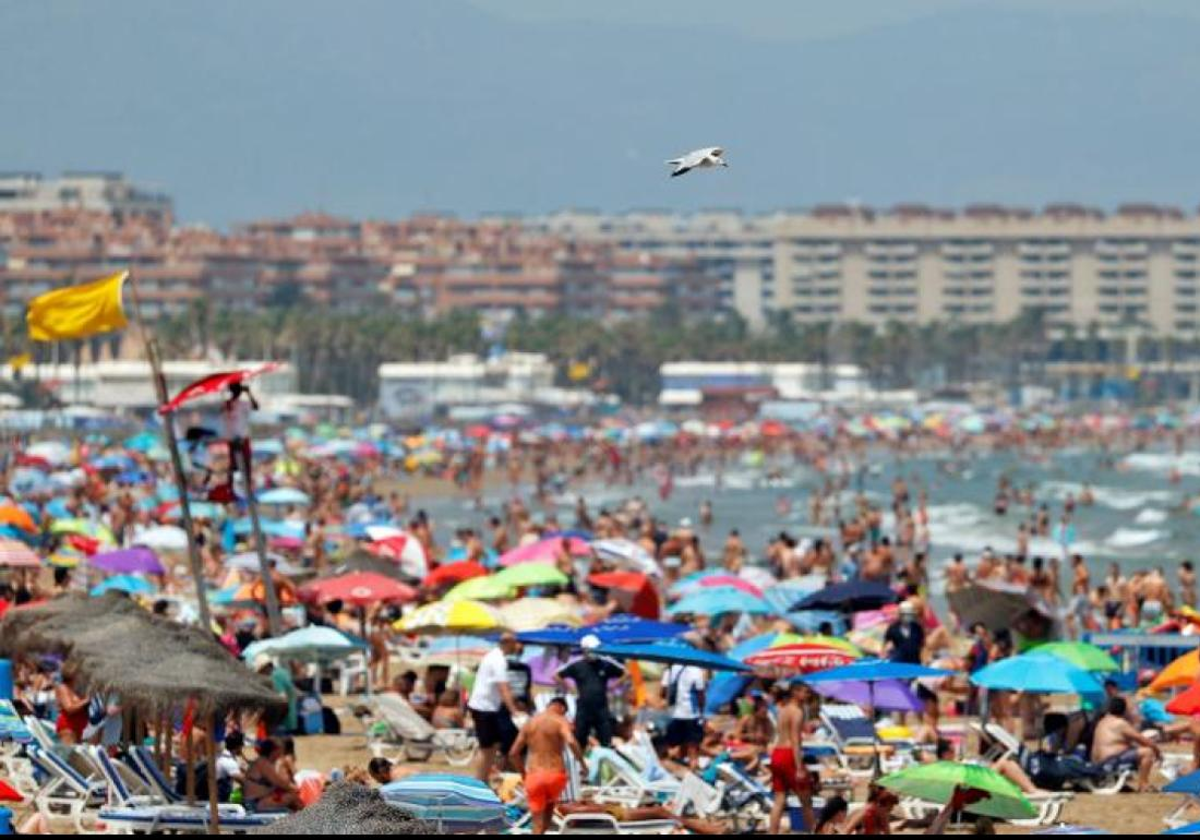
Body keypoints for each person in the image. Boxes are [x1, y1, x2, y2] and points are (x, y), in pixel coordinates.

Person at [509, 697, 586, 835]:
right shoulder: (560, 720)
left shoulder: (530, 722)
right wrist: (582, 763)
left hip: (534, 775)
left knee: (537, 825)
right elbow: (572, 742)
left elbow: (513, 753)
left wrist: (524, 774)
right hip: (555, 776)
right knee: (546, 822)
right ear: (562, 708)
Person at [468, 632, 522, 781]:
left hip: (488, 706)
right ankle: (479, 781)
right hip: (484, 707)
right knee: (486, 748)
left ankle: (484, 778)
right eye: (515, 643)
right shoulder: (498, 660)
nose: (517, 646)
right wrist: (514, 711)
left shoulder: (493, 656)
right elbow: (503, 688)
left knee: (493, 745)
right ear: (508, 643)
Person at [556, 634, 624, 748]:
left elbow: (626, 673)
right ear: (584, 650)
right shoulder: (577, 665)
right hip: (583, 708)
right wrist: (570, 688)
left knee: (606, 738)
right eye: (590, 650)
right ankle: (580, 762)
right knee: (579, 738)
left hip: (601, 708)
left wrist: (613, 686)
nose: (593, 652)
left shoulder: (605, 663)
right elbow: (557, 675)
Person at [768, 682, 815, 834]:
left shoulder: (783, 709)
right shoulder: (797, 712)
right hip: (789, 754)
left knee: (779, 799)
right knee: (806, 800)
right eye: (805, 692)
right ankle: (813, 831)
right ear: (795, 692)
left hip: (777, 753)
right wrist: (800, 767)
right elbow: (795, 739)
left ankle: (772, 832)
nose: (807, 695)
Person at [1091, 696, 1161, 792]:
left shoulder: (1102, 721)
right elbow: (1143, 740)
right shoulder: (1120, 723)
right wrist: (1158, 752)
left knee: (1135, 749)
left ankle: (1128, 781)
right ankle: (1143, 784)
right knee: (1147, 752)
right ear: (1124, 711)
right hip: (1110, 761)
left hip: (1099, 761)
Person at [661, 659, 707, 768]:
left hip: (673, 714)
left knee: (673, 748)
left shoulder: (669, 670)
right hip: (692, 714)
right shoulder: (696, 670)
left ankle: (675, 772)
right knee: (693, 750)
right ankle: (692, 774)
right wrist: (702, 712)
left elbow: (662, 693)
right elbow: (701, 695)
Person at [243, 738, 301, 812]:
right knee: (292, 797)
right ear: (273, 752)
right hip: (255, 803)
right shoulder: (263, 763)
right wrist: (295, 788)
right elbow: (279, 782)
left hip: (259, 800)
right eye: (279, 752)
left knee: (291, 798)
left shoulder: (262, 762)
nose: (280, 755)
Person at [54, 665, 90, 745]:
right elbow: (69, 708)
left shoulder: (75, 688)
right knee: (67, 755)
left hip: (79, 728)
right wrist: (86, 700)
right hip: (68, 727)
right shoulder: (63, 688)